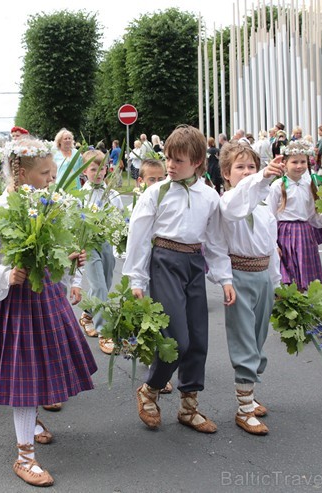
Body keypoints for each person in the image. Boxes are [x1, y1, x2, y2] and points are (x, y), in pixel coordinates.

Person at [0, 137, 96, 487]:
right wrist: (7, 275)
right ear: (21, 172)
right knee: (24, 373)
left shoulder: (49, 203)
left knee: (40, 365)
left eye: (53, 172)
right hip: (14, 299)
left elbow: (56, 248)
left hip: (45, 294)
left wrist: (71, 262)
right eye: (45, 173)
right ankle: (24, 457)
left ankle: (34, 420)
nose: (51, 179)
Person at [124, 125, 235, 434]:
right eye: (169, 158)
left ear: (198, 162)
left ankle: (189, 406)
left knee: (198, 339)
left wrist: (225, 278)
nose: (170, 166)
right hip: (164, 262)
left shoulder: (209, 196)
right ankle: (151, 390)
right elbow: (139, 236)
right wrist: (136, 280)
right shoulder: (156, 192)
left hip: (194, 264)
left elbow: (214, 241)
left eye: (178, 160)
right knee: (177, 339)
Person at [218, 143, 284, 436]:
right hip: (239, 276)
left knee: (258, 338)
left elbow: (271, 245)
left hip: (262, 276)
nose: (246, 173)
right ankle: (244, 409)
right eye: (239, 168)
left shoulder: (264, 202)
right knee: (244, 339)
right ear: (226, 174)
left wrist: (276, 280)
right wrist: (225, 281)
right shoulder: (228, 202)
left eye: (251, 167)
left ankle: (250, 393)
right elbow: (237, 208)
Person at [267, 139, 322, 290]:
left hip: (305, 235)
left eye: (303, 162)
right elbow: (269, 216)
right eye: (294, 162)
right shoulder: (277, 186)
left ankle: (305, 309)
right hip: (285, 235)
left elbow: (314, 217)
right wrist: (273, 243)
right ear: (285, 163)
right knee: (287, 278)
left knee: (306, 279)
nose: (299, 166)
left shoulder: (309, 185)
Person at [78, 150, 122, 355]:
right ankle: (105, 331)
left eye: (102, 168)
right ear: (85, 171)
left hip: (106, 242)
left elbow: (120, 215)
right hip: (89, 243)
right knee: (98, 285)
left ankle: (88, 313)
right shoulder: (82, 194)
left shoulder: (112, 193)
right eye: (93, 169)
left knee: (105, 281)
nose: (98, 173)